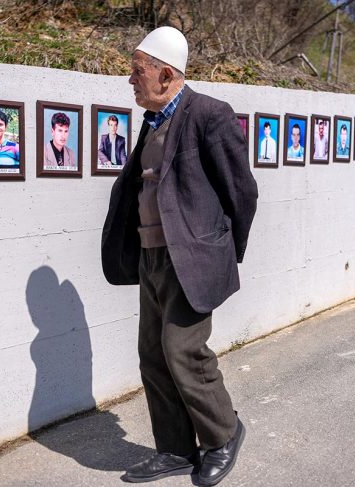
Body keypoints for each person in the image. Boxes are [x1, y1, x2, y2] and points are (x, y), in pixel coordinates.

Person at [101, 26, 258, 486]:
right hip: (152, 259)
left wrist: (224, 252)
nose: (131, 80)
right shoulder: (154, 120)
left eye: (138, 71)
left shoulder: (209, 114)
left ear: (166, 75)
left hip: (191, 261)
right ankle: (174, 449)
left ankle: (223, 434)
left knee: (183, 352)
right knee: (152, 356)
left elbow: (241, 192)